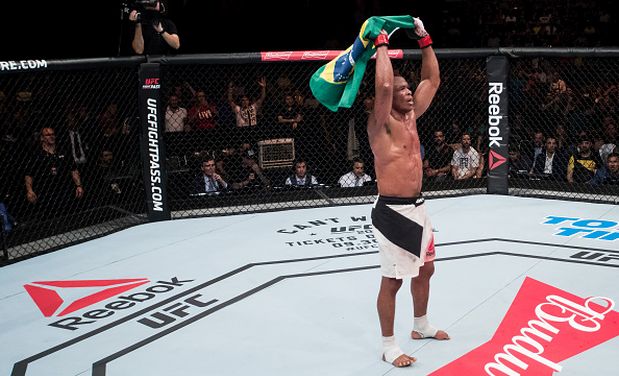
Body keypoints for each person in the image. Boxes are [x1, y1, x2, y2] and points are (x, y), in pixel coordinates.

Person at [367, 19, 448, 369]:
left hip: (418, 208)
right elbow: (384, 85)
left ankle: (421, 325)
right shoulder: (379, 123)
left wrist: (424, 38)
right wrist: (381, 43)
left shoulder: (413, 117)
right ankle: (388, 345)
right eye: (402, 89)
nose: (407, 91)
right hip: (392, 214)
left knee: (426, 270)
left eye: (407, 88)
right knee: (393, 281)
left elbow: (433, 79)